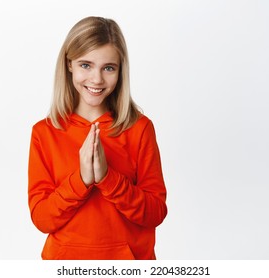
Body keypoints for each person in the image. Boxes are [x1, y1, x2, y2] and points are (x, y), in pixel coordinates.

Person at [28, 16, 167, 260]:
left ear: (120, 70)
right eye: (86, 65)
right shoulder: (45, 132)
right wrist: (81, 180)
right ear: (69, 64)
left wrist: (108, 179)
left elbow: (155, 213)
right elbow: (42, 219)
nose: (97, 79)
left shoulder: (140, 128)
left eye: (108, 68)